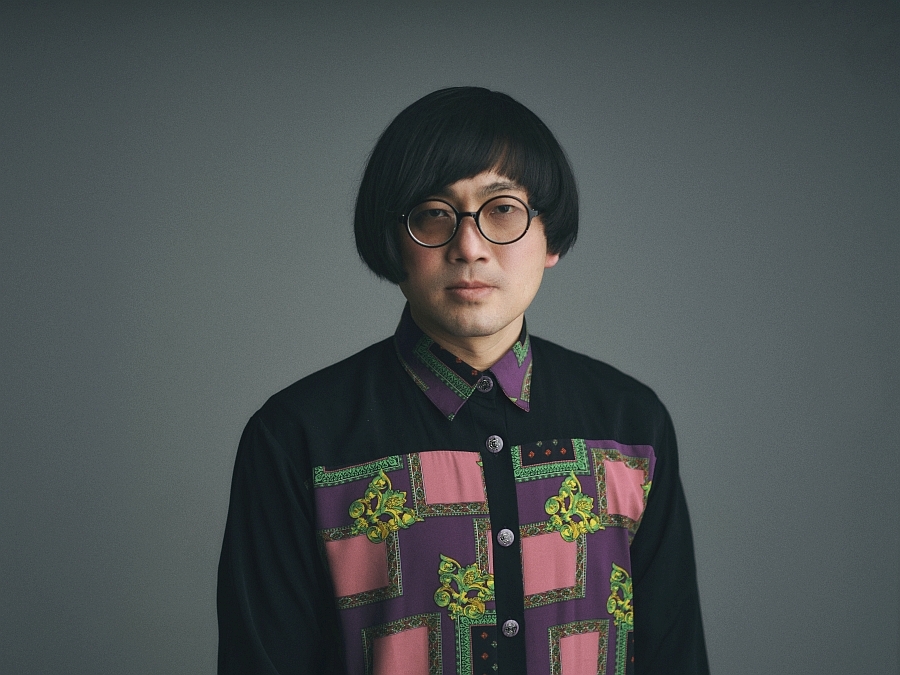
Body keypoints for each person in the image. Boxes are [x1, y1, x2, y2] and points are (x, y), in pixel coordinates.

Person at [217, 86, 709, 675]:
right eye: (434, 213)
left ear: (549, 237)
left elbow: (675, 655)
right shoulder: (299, 437)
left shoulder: (630, 426)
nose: (469, 247)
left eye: (502, 209)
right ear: (393, 241)